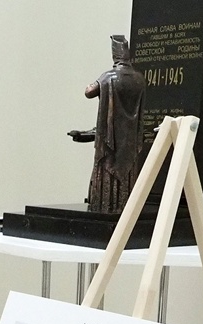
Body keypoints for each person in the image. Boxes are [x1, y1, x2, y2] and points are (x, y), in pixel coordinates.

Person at [66, 34, 145, 214]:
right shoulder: (139, 79)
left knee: (107, 166)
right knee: (128, 171)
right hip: (129, 140)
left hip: (110, 141)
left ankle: (106, 204)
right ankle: (124, 204)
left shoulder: (108, 77)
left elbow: (88, 92)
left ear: (115, 55)